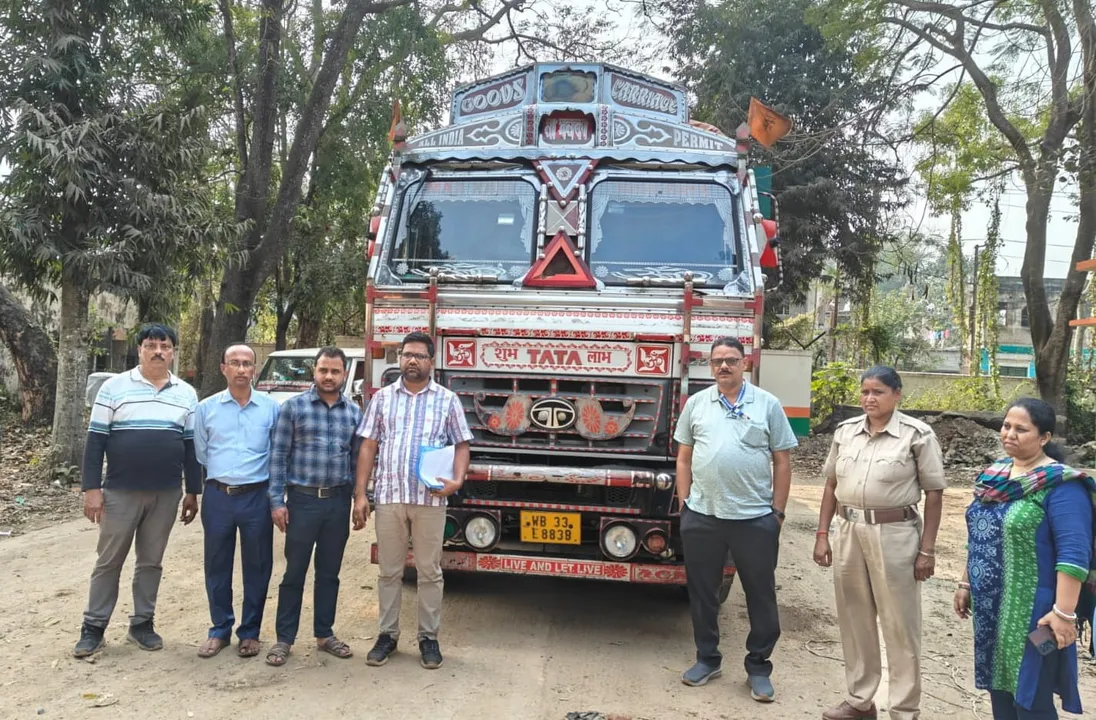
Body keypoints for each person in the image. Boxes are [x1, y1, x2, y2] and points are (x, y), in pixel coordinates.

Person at [814, 367, 947, 720]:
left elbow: (934, 493)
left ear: (897, 394)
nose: (869, 398)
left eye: (878, 392)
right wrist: (822, 533)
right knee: (854, 618)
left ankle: (904, 708)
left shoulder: (917, 436)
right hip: (848, 531)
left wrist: (927, 549)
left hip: (895, 534)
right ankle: (860, 700)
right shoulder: (845, 433)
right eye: (865, 392)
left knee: (900, 624)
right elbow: (830, 485)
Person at [674, 337, 799, 703]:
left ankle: (758, 668)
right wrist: (686, 505)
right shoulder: (696, 404)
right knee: (702, 594)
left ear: (745, 364)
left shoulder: (767, 404)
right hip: (703, 517)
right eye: (716, 361)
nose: (723, 366)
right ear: (709, 367)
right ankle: (707, 659)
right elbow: (684, 457)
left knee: (760, 595)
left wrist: (777, 512)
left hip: (754, 519)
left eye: (731, 360)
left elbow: (782, 460)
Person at [954, 397, 1094, 719]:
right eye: (1006, 426)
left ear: (1044, 437)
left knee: (1032, 696)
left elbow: (1074, 555)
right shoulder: (994, 477)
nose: (1009, 434)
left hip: (1039, 615)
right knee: (1000, 691)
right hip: (991, 611)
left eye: (1021, 429)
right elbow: (980, 537)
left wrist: (1063, 613)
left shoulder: (1062, 485)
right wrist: (966, 581)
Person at [73, 323, 201, 657]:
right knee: (109, 561)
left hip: (166, 493)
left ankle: (142, 624)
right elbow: (95, 441)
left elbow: (190, 447)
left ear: (173, 351)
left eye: (165, 346)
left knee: (151, 562)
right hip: (120, 492)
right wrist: (91, 488)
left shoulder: (186, 394)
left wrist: (192, 491)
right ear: (140, 349)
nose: (159, 351)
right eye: (151, 345)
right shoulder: (114, 388)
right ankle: (93, 628)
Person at [354, 331, 473, 670]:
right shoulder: (383, 398)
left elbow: (462, 444)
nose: (411, 361)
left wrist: (457, 480)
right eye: (406, 355)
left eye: (419, 356)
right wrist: (361, 493)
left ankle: (428, 638)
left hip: (430, 500)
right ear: (399, 358)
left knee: (429, 572)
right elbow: (368, 446)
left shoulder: (447, 400)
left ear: (431, 362)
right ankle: (387, 635)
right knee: (389, 572)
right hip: (390, 497)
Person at [264, 347, 363, 668]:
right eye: (323, 370)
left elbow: (358, 460)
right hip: (302, 502)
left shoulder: (353, 412)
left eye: (335, 371)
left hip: (337, 502)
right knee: (294, 572)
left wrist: (360, 498)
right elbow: (277, 456)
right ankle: (284, 638)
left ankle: (324, 633)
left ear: (345, 374)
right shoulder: (293, 409)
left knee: (329, 573)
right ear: (314, 372)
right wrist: (276, 501)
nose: (329, 376)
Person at [194, 344, 280, 659]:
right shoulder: (206, 409)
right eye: (235, 363)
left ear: (254, 369)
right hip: (218, 495)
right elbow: (201, 453)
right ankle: (219, 630)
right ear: (223, 368)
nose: (241, 369)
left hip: (256, 496)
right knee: (217, 565)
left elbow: (276, 453)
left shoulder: (271, 409)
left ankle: (250, 632)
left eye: (247, 364)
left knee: (258, 565)